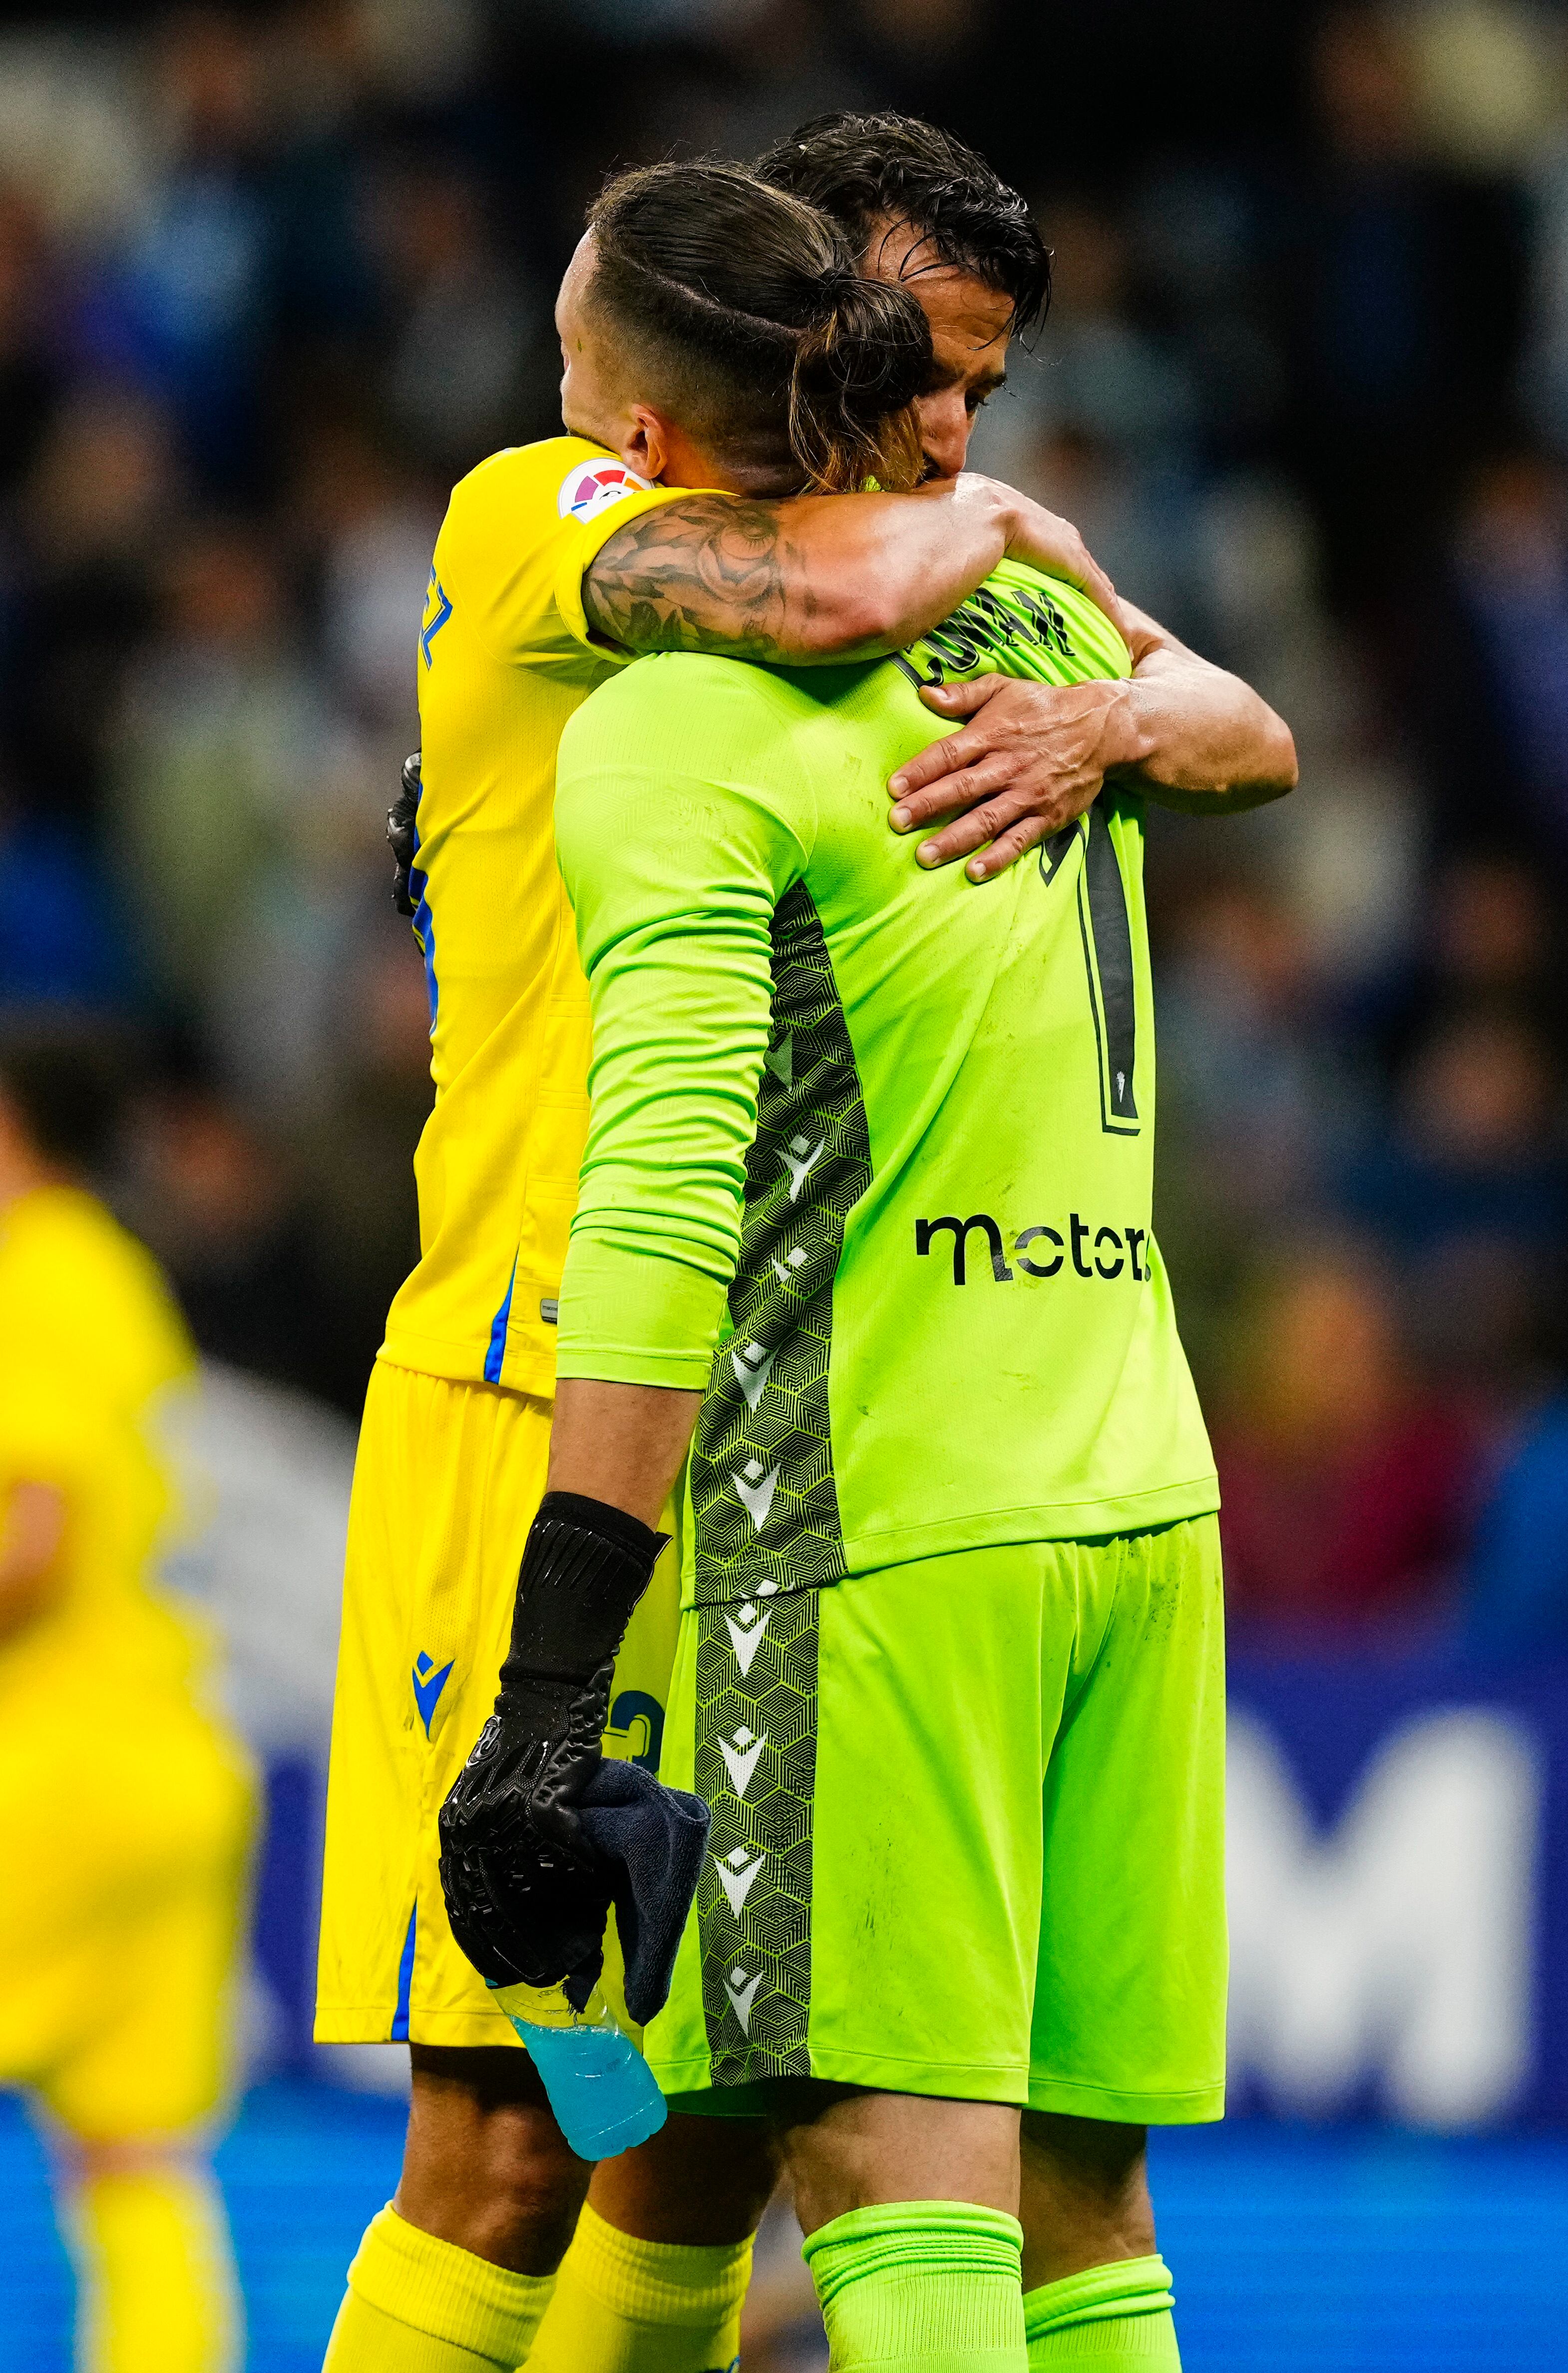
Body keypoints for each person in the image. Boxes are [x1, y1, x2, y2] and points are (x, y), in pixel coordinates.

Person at [318, 141, 1293, 2373]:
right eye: (924, 379)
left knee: (716, 2116)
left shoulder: (956, 591)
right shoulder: (544, 514)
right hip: (533, 1411)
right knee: (523, 2122)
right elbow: (829, 593)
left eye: (985, 395)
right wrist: (1027, 538)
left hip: (752, 1429)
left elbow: (1249, 729)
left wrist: (1107, 683)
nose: (958, 430)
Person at [514, 538, 1256, 2373]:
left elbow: (666, 1208)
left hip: (871, 1507)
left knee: (884, 2162)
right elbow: (1258, 732)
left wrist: (552, 1673)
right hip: (1132, 1478)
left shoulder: (685, 713)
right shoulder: (1052, 614)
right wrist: (1102, 679)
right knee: (1080, 2206)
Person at [0, 1015, 255, 2373]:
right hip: (172, 1755)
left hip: (55, 1764)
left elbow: (30, 1543)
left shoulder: (33, 1269)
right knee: (133, 2154)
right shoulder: (117, 1273)